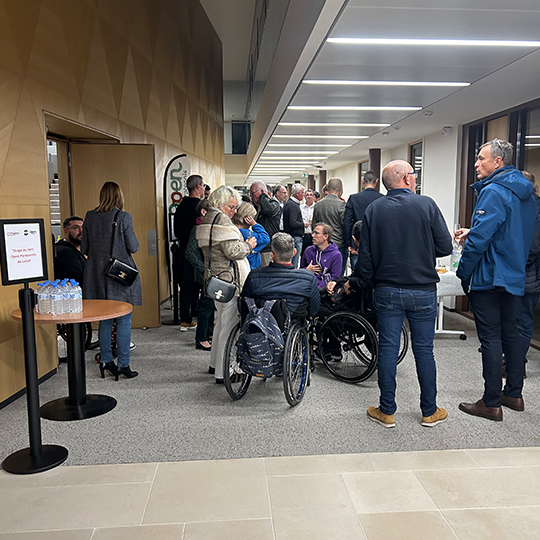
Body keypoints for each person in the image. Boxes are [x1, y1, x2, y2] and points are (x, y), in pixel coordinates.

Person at [358, 160, 452, 428]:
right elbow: (445, 246)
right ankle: (429, 411)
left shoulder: (374, 209)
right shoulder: (427, 205)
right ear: (407, 179)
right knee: (424, 351)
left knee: (388, 348)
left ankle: (387, 411)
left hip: (387, 289)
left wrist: (372, 282)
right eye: (414, 174)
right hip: (423, 289)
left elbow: (365, 258)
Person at [456, 139, 536, 421]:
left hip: (489, 276)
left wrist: (463, 271)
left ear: (498, 161)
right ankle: (513, 394)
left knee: (490, 339)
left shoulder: (493, 190)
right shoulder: (526, 193)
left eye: (481, 158)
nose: (476, 163)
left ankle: (491, 402)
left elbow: (479, 240)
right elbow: (511, 232)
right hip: (514, 274)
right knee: (512, 335)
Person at [82, 181, 141, 380]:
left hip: (96, 275)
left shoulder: (90, 216)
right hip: (118, 275)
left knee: (104, 319)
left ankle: (106, 361)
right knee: (124, 319)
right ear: (119, 196)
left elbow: (84, 248)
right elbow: (133, 246)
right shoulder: (123, 217)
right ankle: (123, 364)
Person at [196, 186, 256, 383]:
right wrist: (249, 245)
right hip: (229, 280)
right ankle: (223, 373)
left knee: (220, 323)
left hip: (215, 278)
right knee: (228, 326)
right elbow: (232, 251)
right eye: (231, 207)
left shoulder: (209, 217)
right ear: (220, 204)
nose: (234, 211)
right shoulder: (221, 219)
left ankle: (215, 364)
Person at [242, 232, 320, 320]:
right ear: (294, 252)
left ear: (272, 255)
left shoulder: (255, 276)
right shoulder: (308, 278)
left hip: (262, 321)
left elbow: (245, 304)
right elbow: (314, 309)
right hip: (294, 322)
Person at [174, 174, 205, 332]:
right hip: (197, 250)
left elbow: (177, 232)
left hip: (183, 248)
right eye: (203, 185)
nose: (204, 188)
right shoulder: (199, 207)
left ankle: (185, 319)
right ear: (198, 186)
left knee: (186, 284)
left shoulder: (180, 206)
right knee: (198, 282)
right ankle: (195, 311)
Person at [185, 199, 214, 351]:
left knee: (211, 304)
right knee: (206, 305)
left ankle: (209, 333)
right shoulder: (197, 229)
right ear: (204, 212)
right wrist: (204, 269)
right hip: (204, 273)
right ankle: (201, 338)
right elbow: (190, 253)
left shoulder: (207, 228)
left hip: (210, 271)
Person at [343, 170, 383, 270]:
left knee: (358, 272)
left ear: (363, 181)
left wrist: (349, 243)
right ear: (376, 181)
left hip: (357, 242)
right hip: (377, 243)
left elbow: (347, 222)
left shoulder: (353, 198)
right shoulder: (382, 199)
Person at [312, 177, 347, 275]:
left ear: (327, 188)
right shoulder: (342, 205)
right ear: (341, 190)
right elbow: (345, 226)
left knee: (321, 274)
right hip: (338, 245)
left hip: (321, 245)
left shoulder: (318, 205)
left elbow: (314, 226)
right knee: (337, 276)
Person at [300, 222, 342, 290]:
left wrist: (317, 289)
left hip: (324, 290)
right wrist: (307, 270)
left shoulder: (336, 255)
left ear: (325, 236)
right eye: (313, 232)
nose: (312, 235)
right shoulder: (308, 250)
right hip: (306, 287)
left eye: (316, 233)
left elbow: (335, 278)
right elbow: (300, 271)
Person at [249, 181, 281, 266]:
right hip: (258, 246)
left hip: (268, 248)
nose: (251, 196)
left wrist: (263, 196)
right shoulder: (257, 206)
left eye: (253, 193)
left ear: (262, 191)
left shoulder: (273, 204)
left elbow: (268, 209)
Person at [232, 202, 270, 269]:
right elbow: (265, 238)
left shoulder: (232, 229)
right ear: (248, 219)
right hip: (250, 266)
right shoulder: (247, 234)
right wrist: (255, 224)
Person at [54, 216, 86, 284]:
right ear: (66, 231)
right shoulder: (65, 252)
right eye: (76, 228)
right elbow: (79, 279)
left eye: (83, 227)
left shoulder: (79, 249)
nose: (81, 231)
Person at [283, 184, 305, 268]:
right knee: (294, 262)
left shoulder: (290, 203)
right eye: (302, 193)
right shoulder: (293, 205)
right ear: (297, 194)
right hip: (295, 236)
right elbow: (293, 223)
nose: (303, 195)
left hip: (291, 236)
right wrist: (304, 224)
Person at [300, 189, 316, 255]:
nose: (309, 197)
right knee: (303, 255)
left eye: (311, 195)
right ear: (304, 197)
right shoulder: (300, 208)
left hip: (314, 235)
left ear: (313, 197)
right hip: (304, 235)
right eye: (307, 195)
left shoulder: (316, 207)